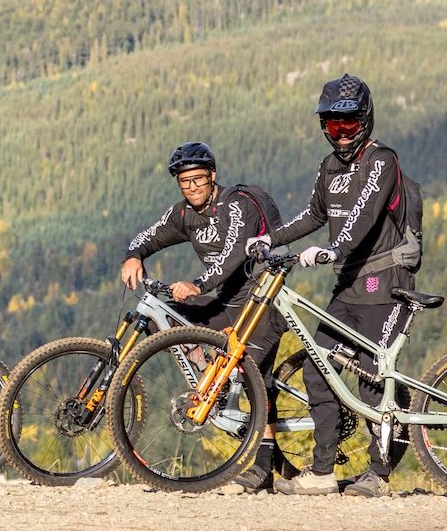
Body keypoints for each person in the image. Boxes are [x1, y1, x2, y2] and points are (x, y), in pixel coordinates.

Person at [251, 74, 415, 498]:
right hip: (347, 288)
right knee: (318, 367)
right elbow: (312, 215)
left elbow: (361, 218)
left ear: (366, 120)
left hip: (386, 285)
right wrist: (272, 238)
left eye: (348, 125)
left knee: (373, 380)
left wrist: (330, 251)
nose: (340, 134)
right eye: (331, 125)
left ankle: (378, 475)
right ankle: (323, 472)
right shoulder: (329, 167)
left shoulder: (383, 162)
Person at [120, 141, 288, 492]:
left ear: (213, 176)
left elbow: (230, 256)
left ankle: (264, 465)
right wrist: (133, 254)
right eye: (185, 182)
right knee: (157, 319)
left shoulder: (236, 205)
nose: (193, 187)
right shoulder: (185, 214)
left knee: (253, 375)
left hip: (261, 301)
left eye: (199, 179)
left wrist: (197, 284)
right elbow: (151, 235)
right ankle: (206, 367)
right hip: (224, 301)